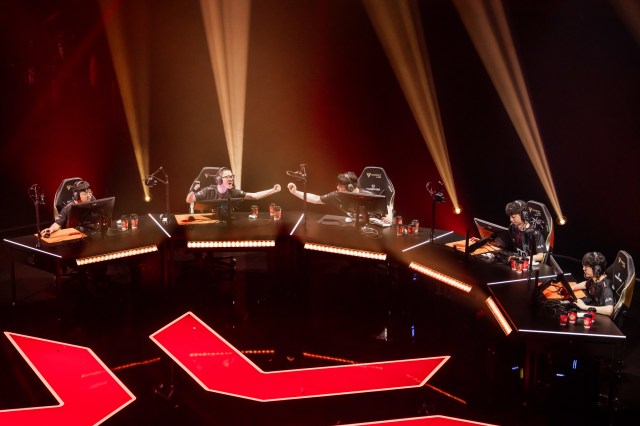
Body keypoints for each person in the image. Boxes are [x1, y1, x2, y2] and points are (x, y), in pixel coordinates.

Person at [288, 171, 392, 221]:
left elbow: (387, 207)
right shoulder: (337, 195)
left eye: (341, 186)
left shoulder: (367, 196)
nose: (337, 188)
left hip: (371, 232)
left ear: (351, 187)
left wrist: (389, 216)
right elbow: (316, 199)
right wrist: (295, 192)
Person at [185, 167, 281, 214]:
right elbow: (189, 200)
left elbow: (254, 196)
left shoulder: (233, 192)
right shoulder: (208, 190)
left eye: (232, 176)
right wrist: (193, 189)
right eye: (227, 177)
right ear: (219, 180)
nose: (231, 179)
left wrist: (273, 190)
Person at [571, 251, 615, 316]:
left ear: (596, 269)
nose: (583, 269)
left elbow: (609, 310)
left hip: (602, 316)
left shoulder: (606, 287)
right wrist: (571, 288)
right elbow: (585, 284)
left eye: (586, 267)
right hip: (594, 305)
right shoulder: (595, 279)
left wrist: (584, 307)